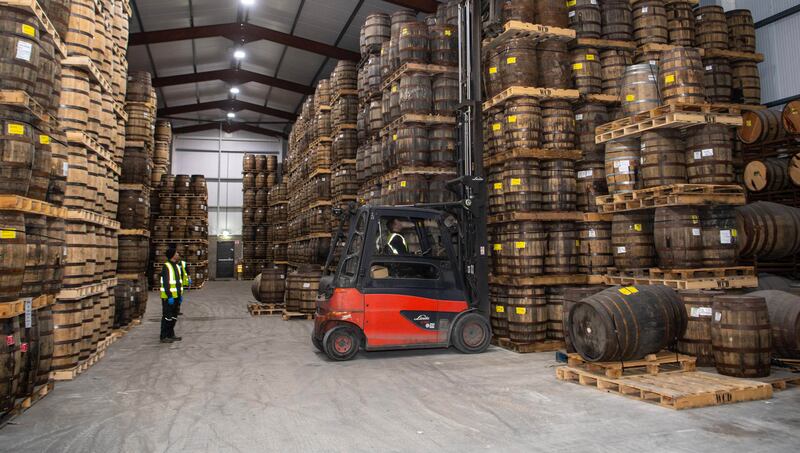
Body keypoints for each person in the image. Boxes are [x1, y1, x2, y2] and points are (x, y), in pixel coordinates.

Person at [159, 247, 184, 343]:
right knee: (167, 317)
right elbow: (166, 283)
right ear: (173, 255)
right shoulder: (166, 266)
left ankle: (171, 334)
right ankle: (164, 336)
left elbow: (178, 282)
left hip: (177, 296)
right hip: (169, 297)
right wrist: (169, 296)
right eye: (176, 253)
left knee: (173, 317)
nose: (178, 254)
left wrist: (180, 295)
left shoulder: (177, 266)